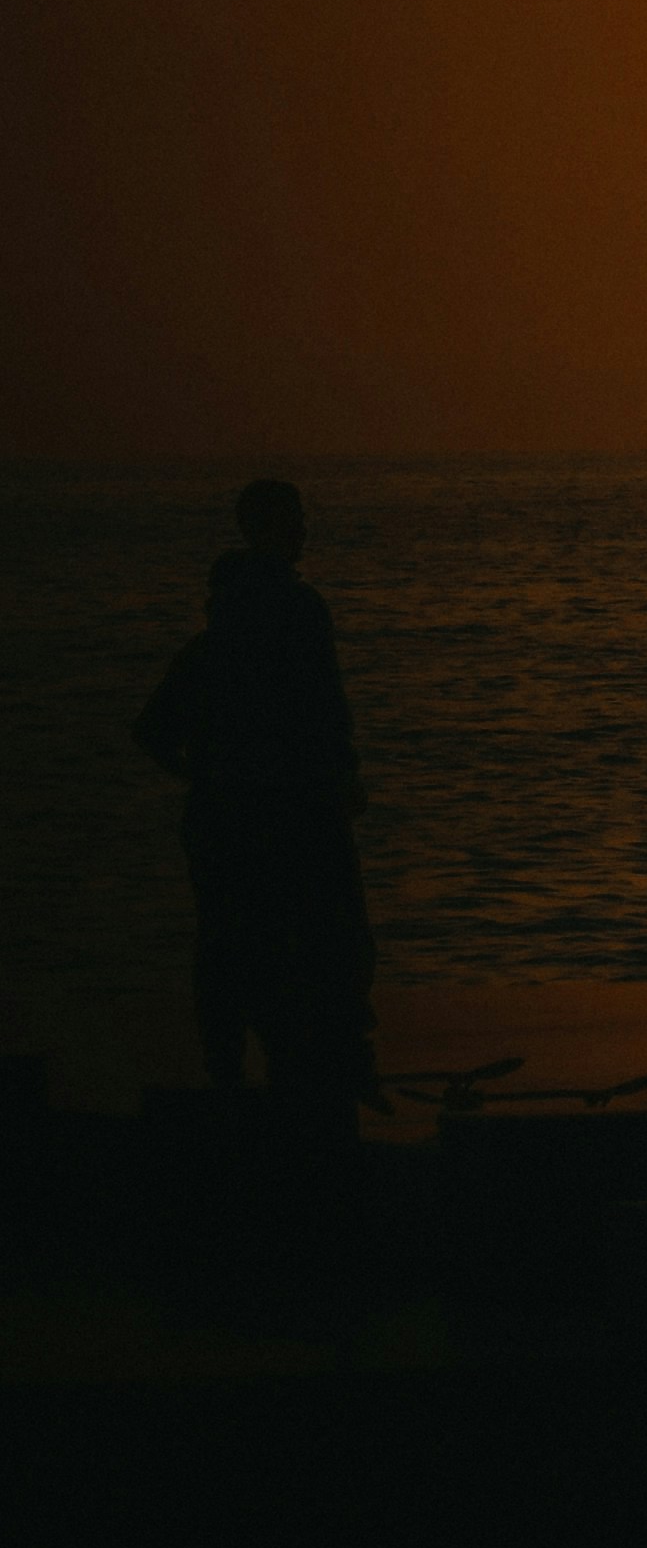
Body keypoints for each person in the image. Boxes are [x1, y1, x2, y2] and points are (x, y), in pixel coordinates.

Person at [134, 479, 377, 1126]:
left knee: (231, 940)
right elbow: (324, 706)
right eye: (296, 518)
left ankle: (235, 1067)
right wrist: (338, 775)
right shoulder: (297, 613)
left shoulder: (212, 647)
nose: (305, 530)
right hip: (290, 810)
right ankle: (324, 1060)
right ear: (273, 527)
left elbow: (153, 732)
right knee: (319, 935)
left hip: (227, 814)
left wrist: (206, 779)